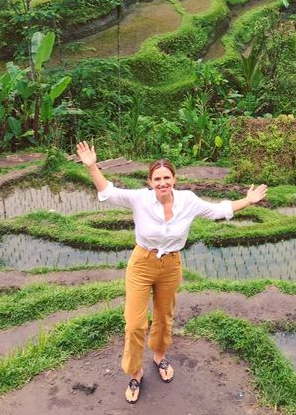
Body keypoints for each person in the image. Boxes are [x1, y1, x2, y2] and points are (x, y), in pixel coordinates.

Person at [75, 141, 267, 404]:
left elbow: (218, 211)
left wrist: (248, 200)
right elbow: (108, 192)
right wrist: (92, 166)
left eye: (167, 177)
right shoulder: (140, 198)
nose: (162, 183)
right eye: (157, 179)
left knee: (164, 317)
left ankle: (159, 356)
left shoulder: (188, 200)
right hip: (142, 263)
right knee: (134, 323)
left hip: (171, 265)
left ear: (174, 179)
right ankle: (135, 372)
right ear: (150, 181)